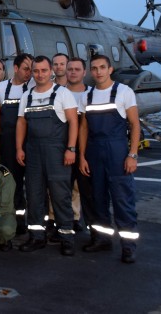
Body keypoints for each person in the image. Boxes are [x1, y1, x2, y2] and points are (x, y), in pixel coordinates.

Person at [79, 55, 140, 264]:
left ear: (110, 69)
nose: (98, 72)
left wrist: (132, 154)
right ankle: (102, 240)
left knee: (123, 201)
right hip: (94, 152)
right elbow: (84, 128)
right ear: (90, 71)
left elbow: (135, 124)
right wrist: (82, 156)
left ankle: (128, 247)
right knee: (98, 200)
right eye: (94, 68)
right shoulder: (87, 96)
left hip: (117, 152)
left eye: (102, 67)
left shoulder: (124, 92)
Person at [16, 56, 78, 256]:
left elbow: (73, 122)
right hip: (33, 152)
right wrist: (19, 148)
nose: (40, 74)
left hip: (56, 152)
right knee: (34, 196)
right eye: (36, 71)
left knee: (60, 196)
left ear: (50, 71)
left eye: (43, 70)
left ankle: (66, 238)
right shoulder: (27, 95)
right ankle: (36, 236)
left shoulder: (63, 93)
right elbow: (21, 123)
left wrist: (71, 149)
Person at [0, 53, 34, 234]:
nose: (29, 73)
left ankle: (38, 222)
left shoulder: (34, 87)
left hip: (31, 141)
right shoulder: (1, 88)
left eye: (31, 69)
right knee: (12, 183)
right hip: (8, 142)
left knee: (34, 184)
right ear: (15, 68)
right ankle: (16, 220)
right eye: (26, 69)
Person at [66, 57, 96, 235]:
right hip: (64, 149)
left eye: (77, 69)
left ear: (84, 72)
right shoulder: (58, 93)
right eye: (70, 69)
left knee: (87, 190)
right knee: (62, 188)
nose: (73, 72)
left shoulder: (93, 94)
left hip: (87, 149)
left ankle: (94, 230)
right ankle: (65, 222)